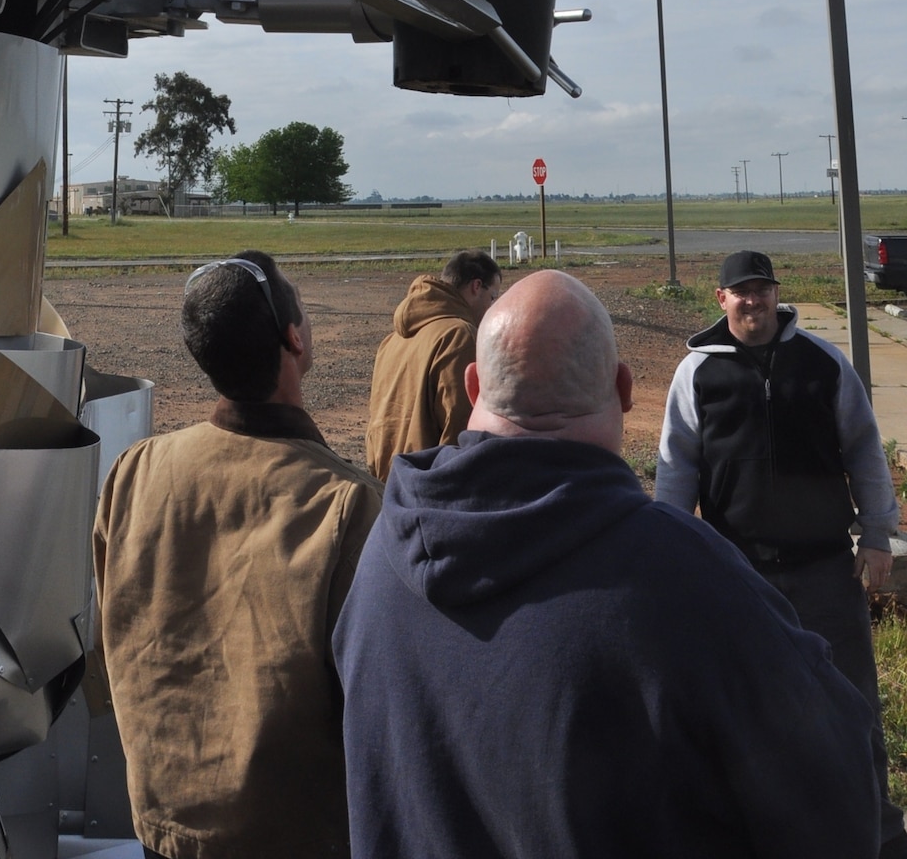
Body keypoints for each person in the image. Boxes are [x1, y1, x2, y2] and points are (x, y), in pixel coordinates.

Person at [335, 268, 880, 859]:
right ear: (624, 389)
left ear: (473, 387)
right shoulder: (689, 583)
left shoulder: (378, 558)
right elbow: (838, 805)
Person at [93, 250, 382, 859]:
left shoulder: (134, 472)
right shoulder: (347, 505)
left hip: (161, 825)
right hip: (290, 836)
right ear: (295, 338)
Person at [657, 247, 906, 856]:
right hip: (737, 575)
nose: (753, 300)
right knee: (746, 711)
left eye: (762, 288)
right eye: (740, 291)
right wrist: (664, 556)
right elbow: (675, 472)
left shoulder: (822, 364)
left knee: (852, 705)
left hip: (824, 569)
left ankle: (878, 828)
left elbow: (865, 451)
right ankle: (762, 828)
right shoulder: (697, 375)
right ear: (721, 300)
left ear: (776, 293)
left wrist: (877, 535)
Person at [365, 248, 501, 478]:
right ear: (476, 287)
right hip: (428, 484)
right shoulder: (460, 334)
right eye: (493, 298)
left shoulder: (393, 339)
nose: (492, 308)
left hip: (389, 482)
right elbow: (461, 426)